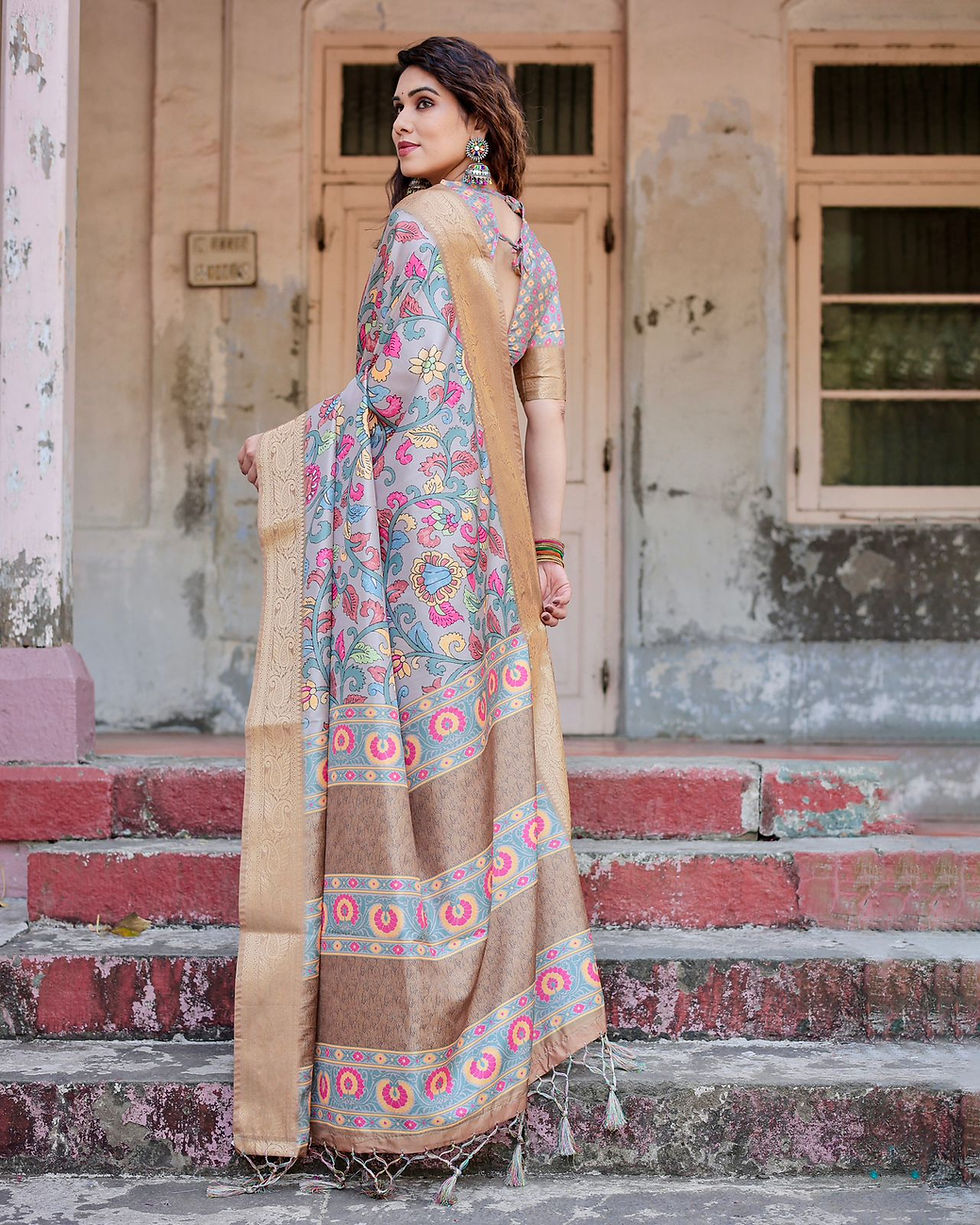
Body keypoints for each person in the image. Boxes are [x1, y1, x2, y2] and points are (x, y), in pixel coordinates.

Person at [213, 35, 634, 1206]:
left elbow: (389, 394)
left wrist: (283, 451)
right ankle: (484, 1042)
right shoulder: (527, 250)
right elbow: (543, 420)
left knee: (398, 782)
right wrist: (544, 550)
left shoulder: (418, 231)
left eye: (423, 103)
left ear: (479, 122)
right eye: (392, 105)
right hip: (489, 550)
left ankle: (401, 1074)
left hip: (408, 543)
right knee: (471, 784)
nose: (398, 123)